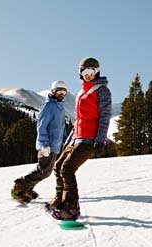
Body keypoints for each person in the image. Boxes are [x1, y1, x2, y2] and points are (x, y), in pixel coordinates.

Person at [46, 57, 112, 220]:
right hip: (77, 137)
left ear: (97, 72)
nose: (88, 75)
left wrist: (100, 140)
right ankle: (60, 202)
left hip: (90, 139)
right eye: (85, 71)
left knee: (67, 168)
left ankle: (71, 207)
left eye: (92, 72)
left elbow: (105, 116)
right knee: (58, 165)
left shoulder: (102, 90)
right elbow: (78, 121)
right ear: (80, 73)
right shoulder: (81, 93)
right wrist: (68, 142)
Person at [11, 80, 68, 203]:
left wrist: (65, 140)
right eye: (59, 91)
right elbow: (41, 126)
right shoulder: (49, 106)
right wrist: (44, 144)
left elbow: (61, 127)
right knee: (44, 171)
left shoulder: (60, 107)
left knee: (44, 170)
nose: (61, 94)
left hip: (55, 146)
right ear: (53, 91)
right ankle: (19, 187)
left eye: (64, 92)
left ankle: (27, 188)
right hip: (47, 146)